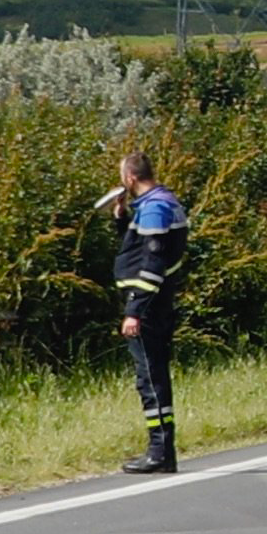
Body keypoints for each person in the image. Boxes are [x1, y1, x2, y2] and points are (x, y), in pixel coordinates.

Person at [104, 152, 191, 475]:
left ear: (129, 178)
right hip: (152, 301)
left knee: (150, 378)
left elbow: (153, 262)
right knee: (151, 376)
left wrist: (134, 311)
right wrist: (121, 217)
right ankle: (160, 450)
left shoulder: (155, 208)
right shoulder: (158, 204)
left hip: (149, 305)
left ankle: (160, 452)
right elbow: (139, 248)